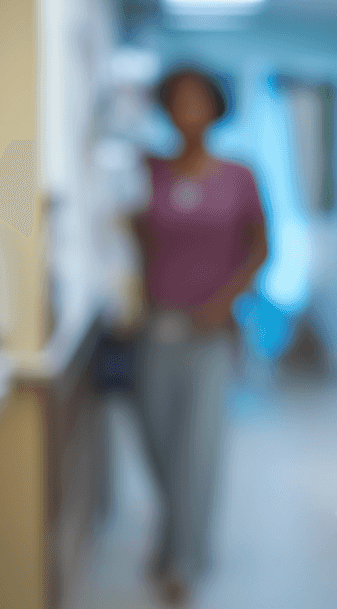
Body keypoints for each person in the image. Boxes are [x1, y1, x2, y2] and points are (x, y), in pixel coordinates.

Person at [129, 65, 268, 605]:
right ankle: (172, 539)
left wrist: (226, 300)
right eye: (177, 101)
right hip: (153, 327)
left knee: (199, 449)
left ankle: (183, 561)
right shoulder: (146, 171)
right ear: (164, 108)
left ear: (216, 108)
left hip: (211, 333)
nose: (187, 111)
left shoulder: (239, 176)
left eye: (198, 100)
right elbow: (126, 239)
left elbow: (261, 248)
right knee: (158, 444)